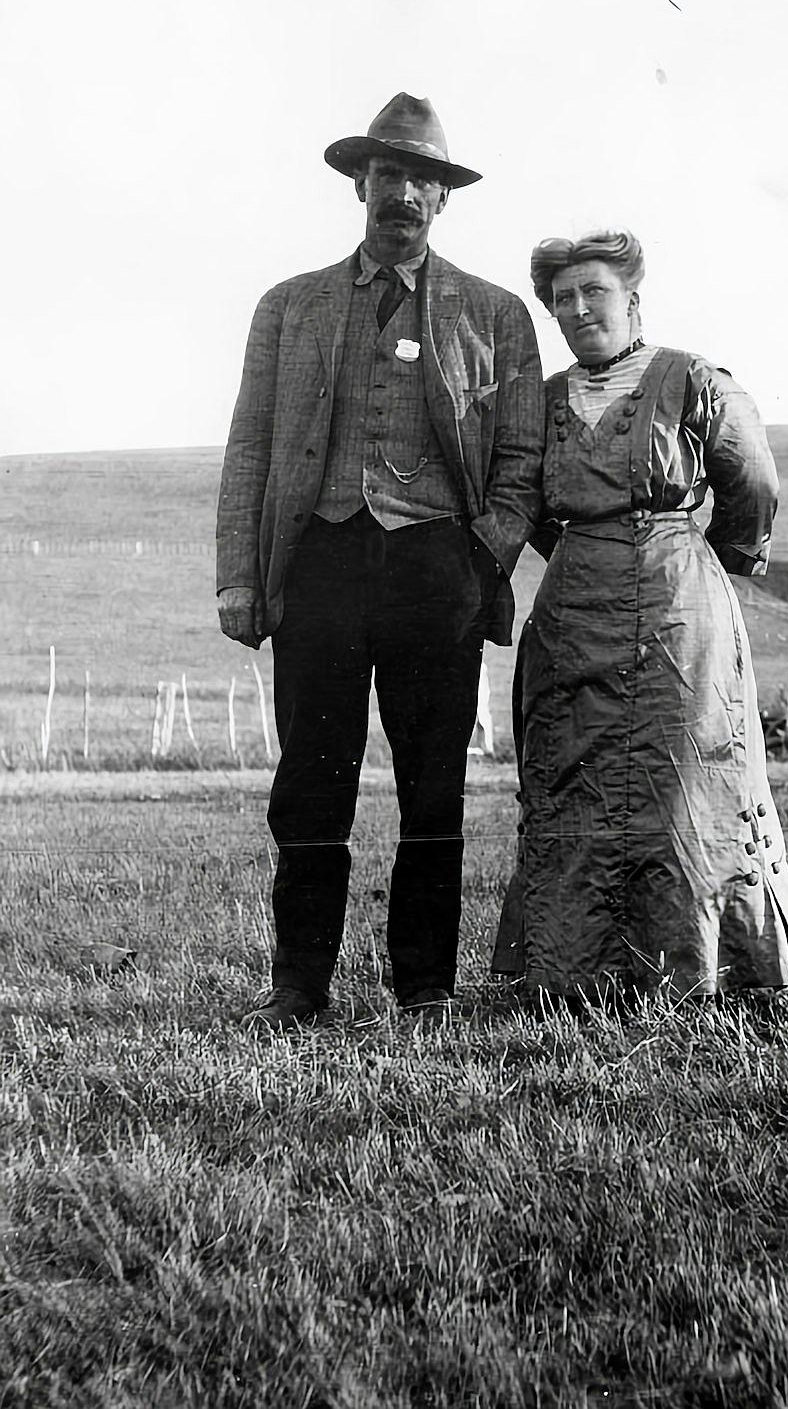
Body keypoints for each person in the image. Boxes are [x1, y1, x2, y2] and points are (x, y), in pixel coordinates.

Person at [217, 93, 544, 1029]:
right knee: (310, 783)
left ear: (444, 199)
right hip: (318, 564)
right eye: (390, 174)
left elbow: (520, 462)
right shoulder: (290, 306)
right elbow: (249, 446)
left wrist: (479, 559)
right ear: (360, 182)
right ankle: (298, 984)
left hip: (437, 571)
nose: (405, 193)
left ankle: (426, 987)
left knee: (432, 786)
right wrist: (240, 574)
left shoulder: (497, 315)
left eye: (425, 180)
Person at [492, 230, 788, 1006]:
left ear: (632, 299)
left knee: (686, 782)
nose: (576, 309)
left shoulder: (692, 378)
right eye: (562, 299)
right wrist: (588, 548)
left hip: (679, 615)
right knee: (576, 778)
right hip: (573, 616)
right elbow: (527, 503)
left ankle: (703, 966)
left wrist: (697, 556)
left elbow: (753, 483)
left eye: (592, 292)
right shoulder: (542, 402)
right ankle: (577, 970)